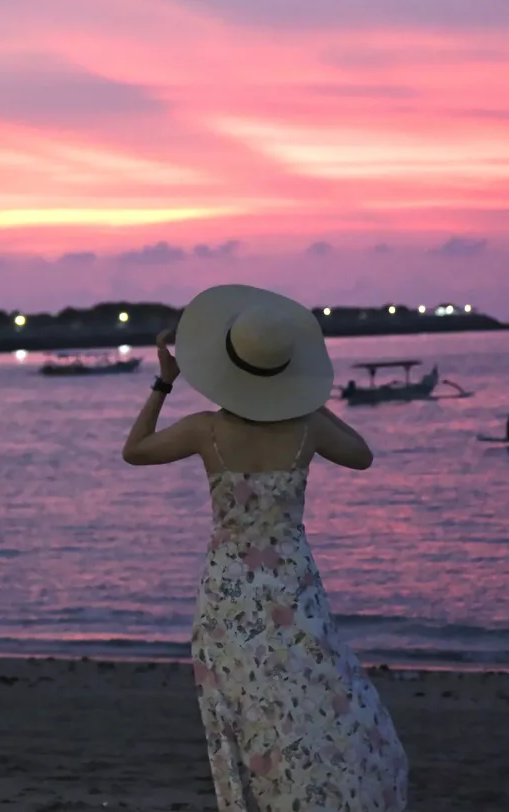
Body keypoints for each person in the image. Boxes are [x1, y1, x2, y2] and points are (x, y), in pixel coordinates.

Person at [122, 284, 408, 812]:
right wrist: (310, 400)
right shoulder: (308, 426)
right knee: (317, 697)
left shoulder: (203, 430)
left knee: (246, 707)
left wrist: (164, 383)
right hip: (293, 586)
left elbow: (134, 450)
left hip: (228, 590)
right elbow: (363, 456)